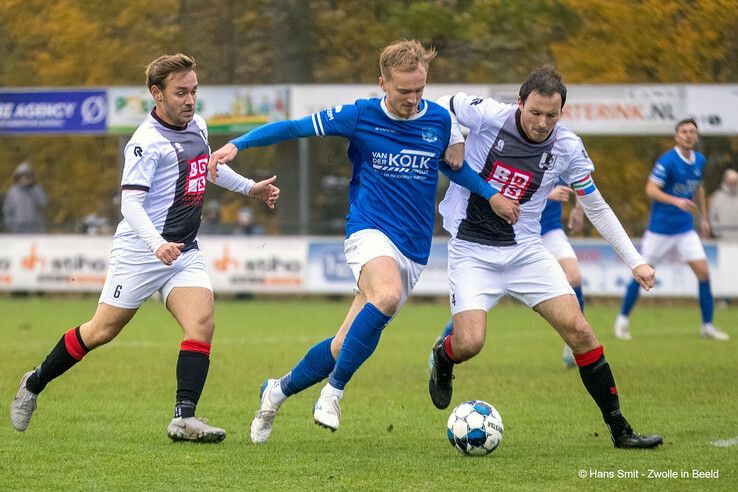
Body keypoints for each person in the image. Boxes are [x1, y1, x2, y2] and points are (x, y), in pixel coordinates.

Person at [208, 39, 518, 443]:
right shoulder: (360, 115)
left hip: (413, 249)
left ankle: (277, 391)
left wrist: (489, 193)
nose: (412, 99)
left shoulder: (439, 122)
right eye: (404, 91)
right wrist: (238, 144)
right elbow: (293, 127)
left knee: (342, 345)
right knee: (385, 295)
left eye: (419, 90)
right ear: (382, 84)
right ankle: (333, 394)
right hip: (368, 230)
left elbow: (449, 167)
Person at [10, 53, 280, 442]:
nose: (190, 100)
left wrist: (250, 188)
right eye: (181, 93)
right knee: (101, 330)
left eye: (194, 91)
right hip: (141, 252)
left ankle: (184, 418)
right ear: (157, 94)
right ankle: (34, 383)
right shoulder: (144, 143)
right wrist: (156, 245)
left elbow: (208, 170)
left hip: (183, 250)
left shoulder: (198, 126)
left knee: (201, 323)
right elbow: (130, 205)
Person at [427, 66, 663, 449]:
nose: (541, 123)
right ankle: (444, 356)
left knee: (581, 332)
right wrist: (454, 138)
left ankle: (621, 431)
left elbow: (597, 207)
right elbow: (440, 105)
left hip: (526, 252)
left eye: (551, 115)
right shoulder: (489, 114)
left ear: (561, 113)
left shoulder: (567, 147)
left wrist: (634, 260)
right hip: (472, 250)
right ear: (519, 103)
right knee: (469, 344)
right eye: (534, 112)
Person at [432, 184, 587, 369]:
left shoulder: (563, 154)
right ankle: (446, 340)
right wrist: (547, 194)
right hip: (517, 232)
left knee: (574, 277)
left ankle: (573, 347)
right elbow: (502, 189)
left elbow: (581, 179)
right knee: (477, 306)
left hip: (549, 229)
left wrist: (579, 209)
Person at [614, 119, 729, 341]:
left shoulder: (700, 160)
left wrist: (704, 218)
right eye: (684, 132)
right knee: (642, 274)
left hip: (685, 230)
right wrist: (676, 201)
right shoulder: (667, 161)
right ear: (677, 137)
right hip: (660, 231)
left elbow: (698, 188)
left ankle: (707, 325)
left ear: (696, 137)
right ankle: (622, 319)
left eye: (692, 132)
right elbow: (650, 189)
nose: (688, 135)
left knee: (704, 273)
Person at [3, 161, 48, 233]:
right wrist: (11, 225)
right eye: (22, 176)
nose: (24, 179)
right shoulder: (12, 192)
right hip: (18, 228)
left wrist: (33, 190)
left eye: (27, 176)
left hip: (35, 228)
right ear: (17, 177)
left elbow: (43, 203)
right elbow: (7, 210)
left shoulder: (36, 189)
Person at [708, 168, 738, 240]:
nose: (733, 184)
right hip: (722, 239)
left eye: (735, 182)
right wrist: (719, 233)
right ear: (725, 181)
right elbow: (712, 217)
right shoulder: (716, 197)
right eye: (731, 181)